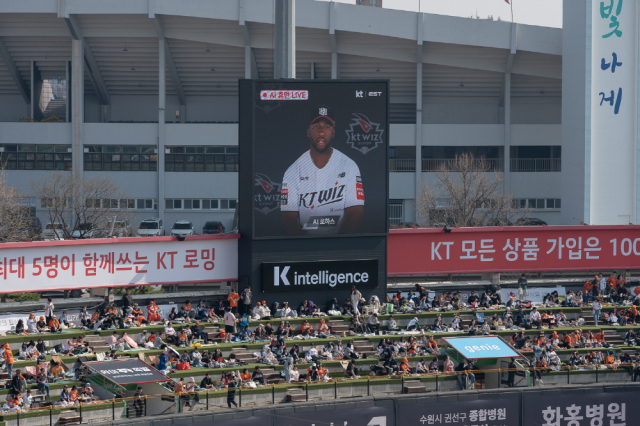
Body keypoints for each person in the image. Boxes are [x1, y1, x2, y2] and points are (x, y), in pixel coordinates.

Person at [280, 106, 364, 235]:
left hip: (340, 242)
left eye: (327, 127)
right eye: (316, 127)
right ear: (308, 132)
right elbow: (288, 220)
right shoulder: (293, 170)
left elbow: (355, 214)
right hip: (305, 243)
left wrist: (337, 245)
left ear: (333, 133)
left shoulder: (348, 165)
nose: (321, 132)